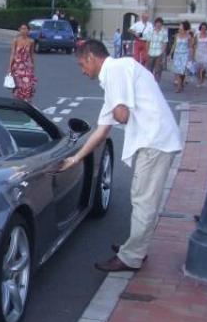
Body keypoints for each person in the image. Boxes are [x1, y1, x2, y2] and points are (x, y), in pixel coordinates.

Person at [61, 40, 182, 272]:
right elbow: (101, 130)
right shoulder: (114, 78)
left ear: (91, 58)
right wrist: (76, 159)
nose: (82, 71)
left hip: (155, 140)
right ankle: (136, 248)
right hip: (154, 140)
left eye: (81, 64)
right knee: (141, 197)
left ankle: (132, 256)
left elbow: (122, 115)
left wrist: (118, 106)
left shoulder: (116, 70)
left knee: (143, 199)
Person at [8, 23, 37, 102]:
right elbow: (13, 53)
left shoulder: (31, 41)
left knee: (28, 85)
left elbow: (31, 54)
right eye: (22, 29)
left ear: (28, 30)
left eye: (25, 29)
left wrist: (33, 65)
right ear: (19, 30)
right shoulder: (16, 40)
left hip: (27, 67)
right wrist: (9, 67)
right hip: (17, 67)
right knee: (18, 86)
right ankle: (18, 103)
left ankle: (27, 102)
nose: (23, 30)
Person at [169, 20, 193, 93]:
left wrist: (191, 56)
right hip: (177, 54)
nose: (180, 26)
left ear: (184, 27)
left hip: (184, 55)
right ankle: (179, 87)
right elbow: (174, 45)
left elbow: (190, 47)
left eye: (181, 25)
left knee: (182, 72)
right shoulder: (177, 35)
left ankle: (181, 84)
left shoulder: (188, 36)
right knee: (178, 71)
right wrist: (170, 53)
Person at [146, 17, 168, 83]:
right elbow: (148, 41)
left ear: (161, 24)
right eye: (157, 23)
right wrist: (147, 51)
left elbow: (165, 42)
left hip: (159, 53)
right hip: (151, 52)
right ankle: (149, 81)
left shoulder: (164, 32)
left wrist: (162, 52)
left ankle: (156, 82)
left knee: (158, 69)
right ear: (155, 24)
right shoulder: (151, 31)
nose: (158, 25)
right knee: (149, 68)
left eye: (160, 23)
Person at [193, 22, 207, 87]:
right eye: (202, 28)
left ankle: (203, 80)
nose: (203, 29)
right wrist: (193, 52)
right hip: (198, 52)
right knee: (198, 68)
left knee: (204, 68)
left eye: (204, 28)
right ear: (200, 28)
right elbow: (194, 44)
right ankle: (199, 81)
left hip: (206, 53)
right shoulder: (197, 35)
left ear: (206, 28)